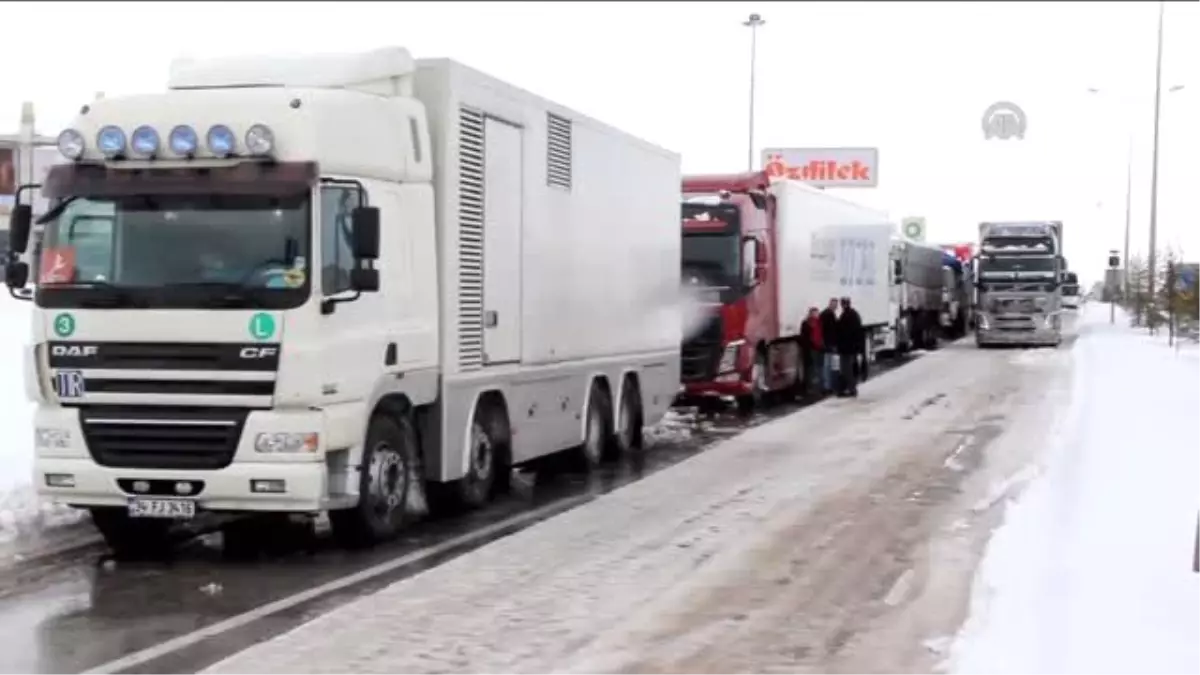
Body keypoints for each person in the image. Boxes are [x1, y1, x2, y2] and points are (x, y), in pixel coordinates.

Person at [835, 296, 866, 397]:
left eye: (842, 303)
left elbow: (841, 332)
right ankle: (847, 388)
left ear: (843, 304)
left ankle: (851, 389)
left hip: (846, 348)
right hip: (851, 347)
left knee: (846, 369)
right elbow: (858, 332)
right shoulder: (854, 314)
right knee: (848, 368)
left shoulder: (845, 316)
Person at [798, 307, 823, 394]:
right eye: (814, 313)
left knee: (814, 367)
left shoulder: (818, 323)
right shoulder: (808, 323)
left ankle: (813, 385)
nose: (816, 315)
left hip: (816, 347)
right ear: (810, 314)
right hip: (810, 348)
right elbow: (804, 337)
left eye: (816, 313)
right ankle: (809, 385)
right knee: (810, 367)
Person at [818, 298, 840, 394]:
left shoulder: (825, 314)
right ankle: (828, 386)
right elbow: (831, 330)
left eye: (836, 305)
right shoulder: (829, 315)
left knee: (829, 365)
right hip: (830, 344)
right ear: (830, 304)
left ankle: (828, 385)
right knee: (830, 365)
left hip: (828, 343)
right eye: (834, 304)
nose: (835, 306)